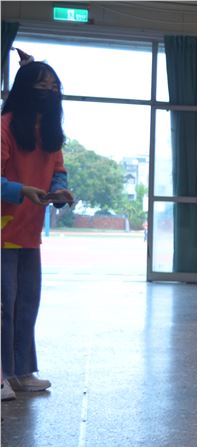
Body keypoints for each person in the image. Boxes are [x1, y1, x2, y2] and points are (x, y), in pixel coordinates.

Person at [2, 56, 74, 396]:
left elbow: (58, 171)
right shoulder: (5, 126)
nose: (49, 92)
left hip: (29, 234)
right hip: (2, 232)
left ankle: (21, 370)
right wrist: (20, 190)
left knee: (27, 304)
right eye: (41, 86)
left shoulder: (50, 134)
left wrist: (59, 192)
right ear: (25, 90)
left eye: (54, 87)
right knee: (3, 305)